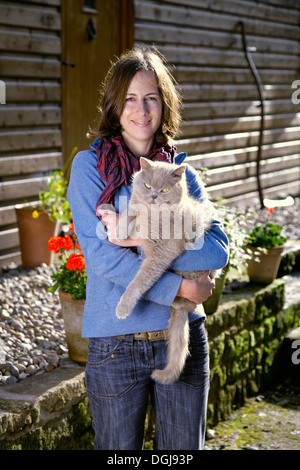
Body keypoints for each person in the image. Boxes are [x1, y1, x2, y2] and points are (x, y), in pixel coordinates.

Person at [67, 47, 229, 450]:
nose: (142, 109)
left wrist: (139, 239)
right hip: (116, 348)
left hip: (183, 337)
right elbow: (103, 258)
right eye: (131, 99)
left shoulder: (179, 171)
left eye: (152, 98)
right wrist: (181, 288)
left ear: (164, 105)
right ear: (115, 106)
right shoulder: (89, 168)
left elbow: (217, 250)